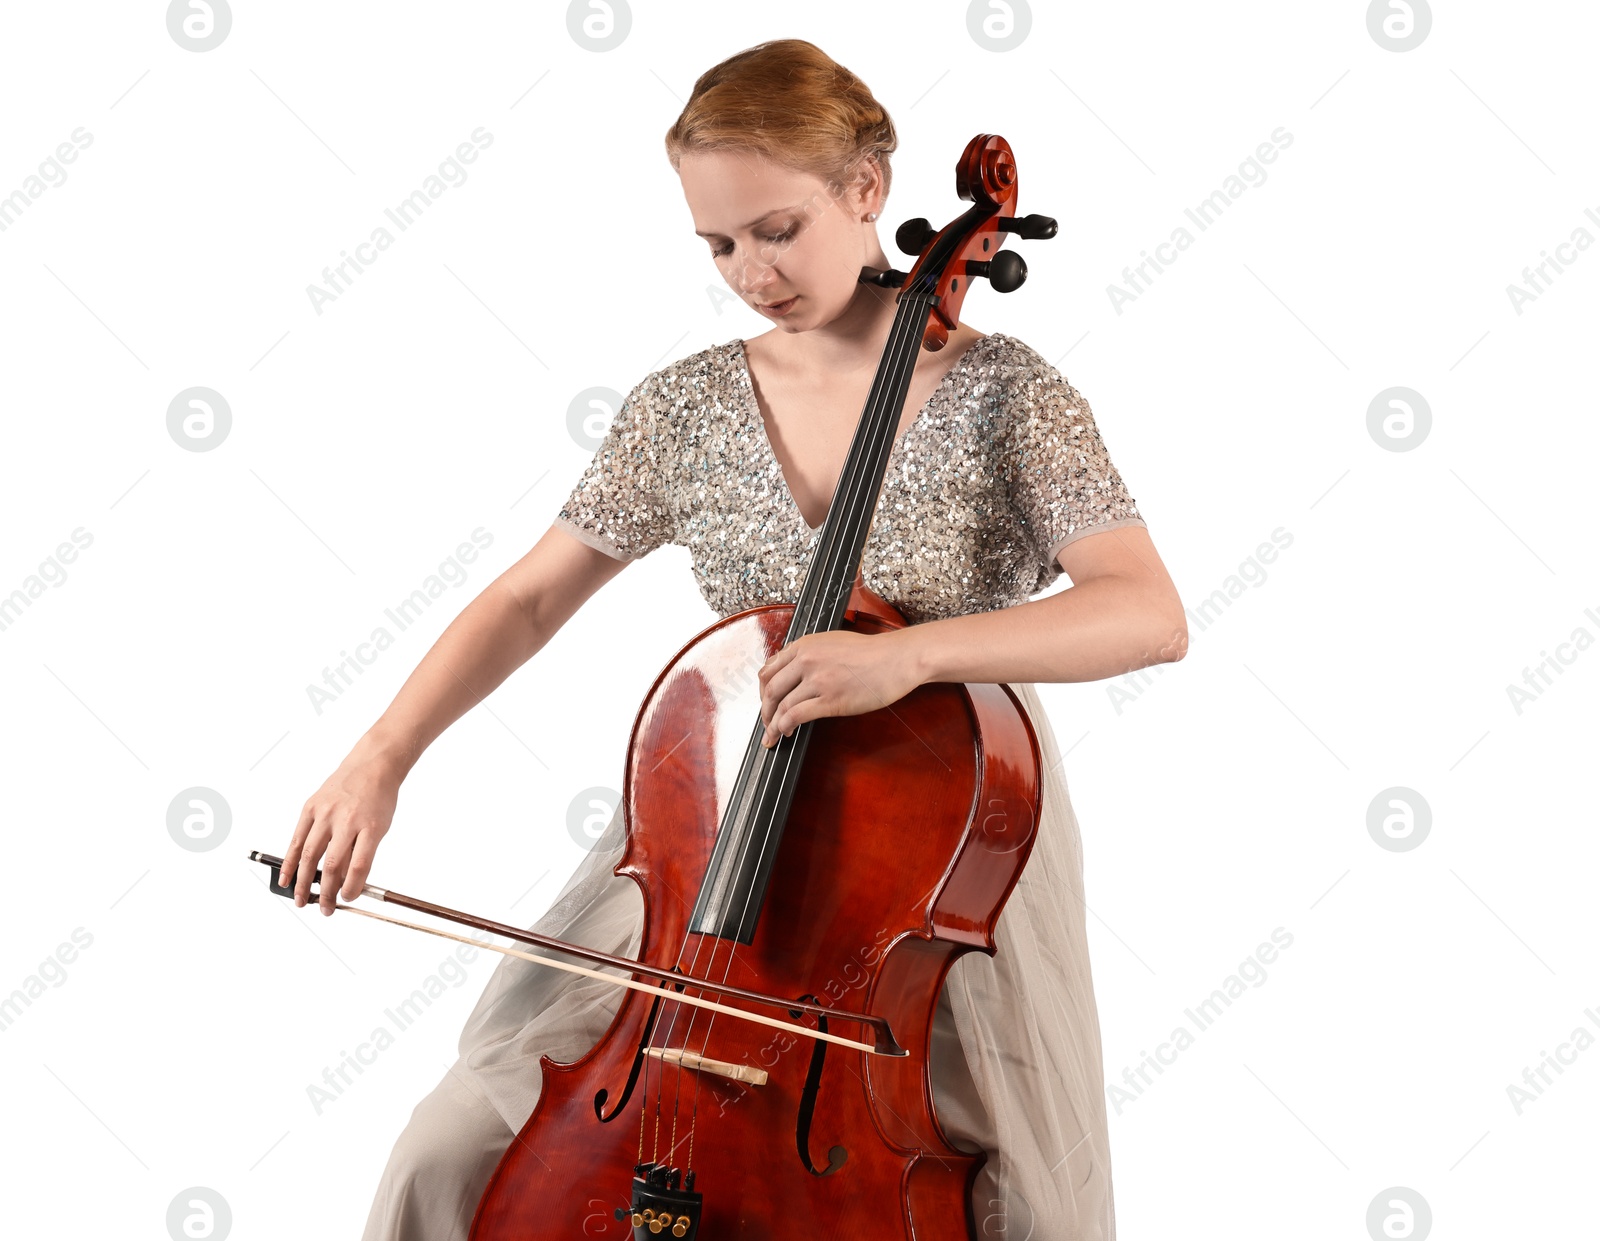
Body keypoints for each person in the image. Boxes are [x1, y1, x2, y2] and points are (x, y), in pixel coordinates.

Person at [277, 37, 1185, 1241]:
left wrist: (910, 654)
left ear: (867, 188)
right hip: (706, 832)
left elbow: (1144, 610)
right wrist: (380, 754)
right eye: (717, 245)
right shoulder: (684, 405)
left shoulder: (1007, 393)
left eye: (775, 228)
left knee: (972, 1192)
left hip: (942, 844)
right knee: (454, 1148)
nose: (749, 270)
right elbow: (529, 598)